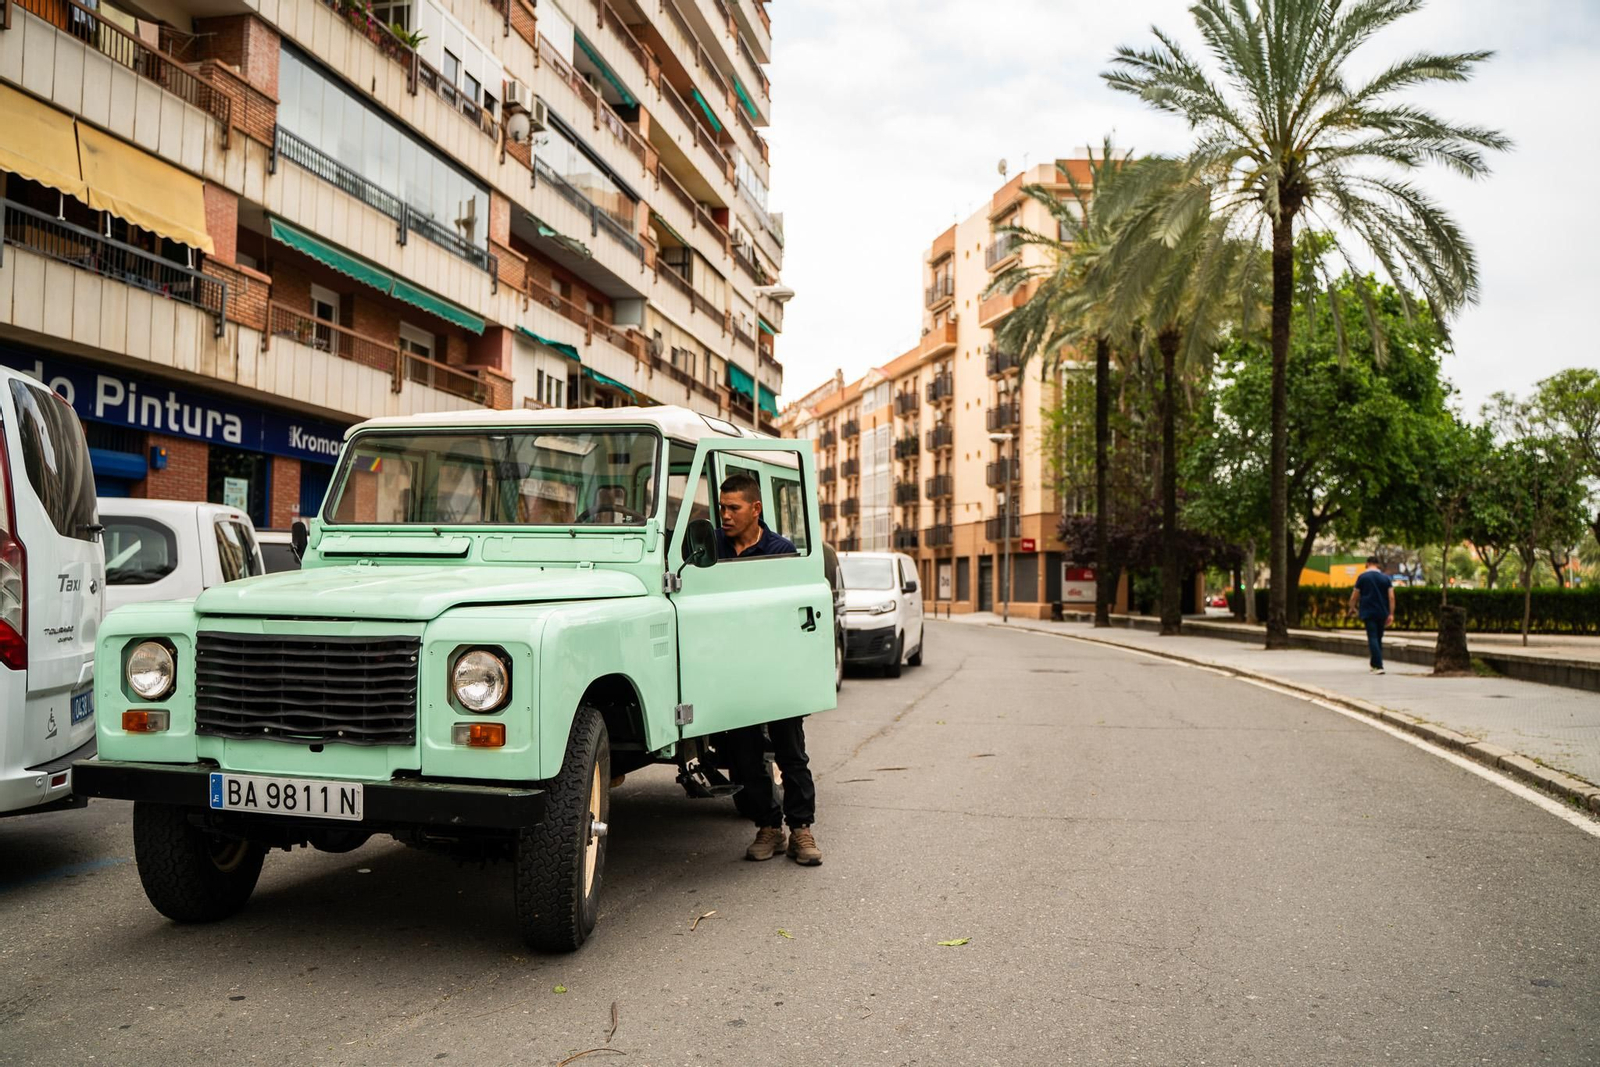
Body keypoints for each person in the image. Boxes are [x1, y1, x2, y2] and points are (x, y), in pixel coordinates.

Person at [713, 472, 823, 866]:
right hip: (735, 671)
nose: (724, 515)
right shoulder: (714, 549)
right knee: (744, 757)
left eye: (733, 508)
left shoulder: (782, 549)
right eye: (722, 507)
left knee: (790, 753)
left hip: (776, 671)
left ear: (755, 509)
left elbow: (793, 612)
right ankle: (769, 827)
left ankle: (802, 831)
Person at [1348, 556, 1396, 674]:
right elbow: (1391, 597)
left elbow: (1355, 595)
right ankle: (1374, 664)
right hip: (1382, 612)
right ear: (1378, 564)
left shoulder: (1363, 577)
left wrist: (1352, 607)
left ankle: (1378, 666)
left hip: (1368, 611)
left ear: (1368, 563)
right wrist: (1391, 613)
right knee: (1378, 637)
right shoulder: (1385, 578)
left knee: (1372, 637)